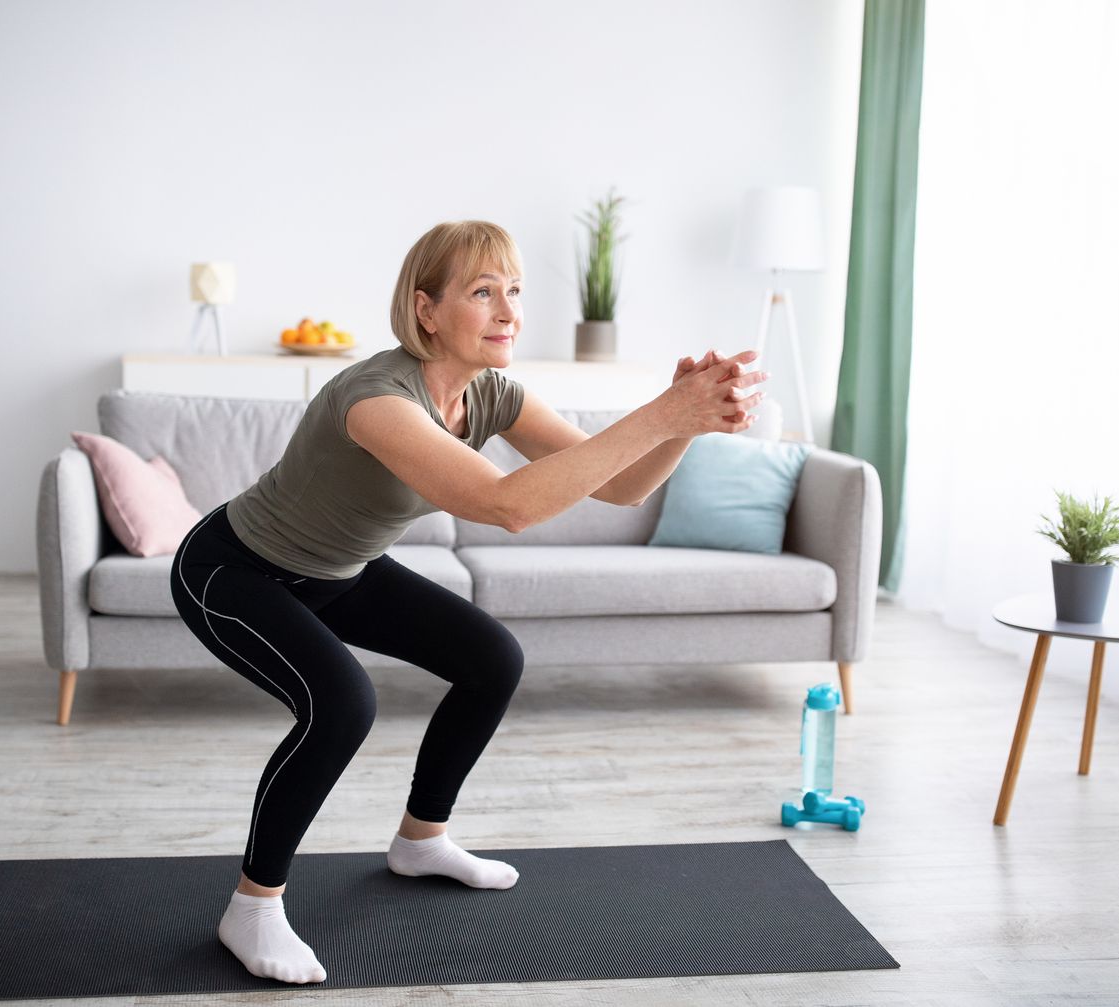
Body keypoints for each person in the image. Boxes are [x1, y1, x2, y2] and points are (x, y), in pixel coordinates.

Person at [169, 219, 767, 984]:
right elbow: (506, 505)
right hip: (235, 571)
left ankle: (421, 839)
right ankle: (252, 906)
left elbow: (621, 486)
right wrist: (666, 412)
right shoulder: (375, 399)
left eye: (514, 290)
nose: (510, 310)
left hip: (338, 569)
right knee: (341, 703)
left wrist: (687, 422)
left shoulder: (492, 393)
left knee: (492, 657)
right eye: (484, 292)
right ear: (426, 310)